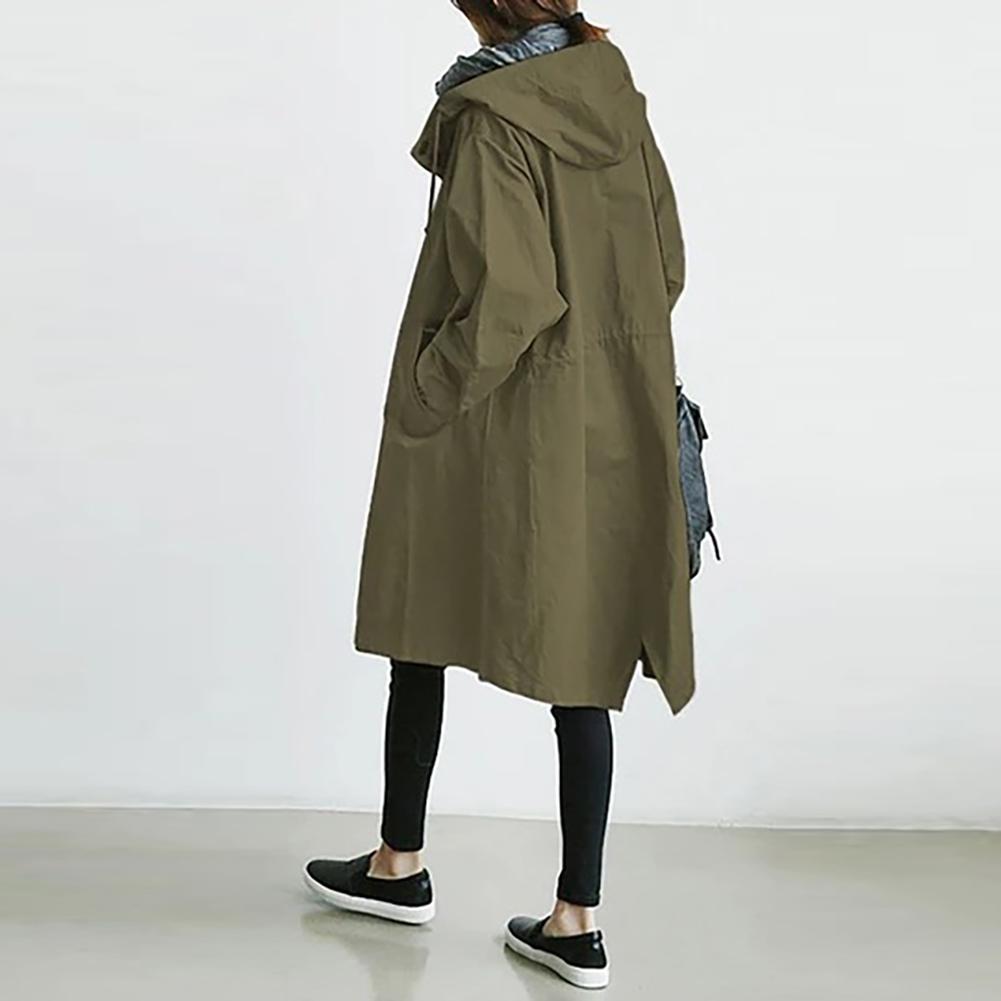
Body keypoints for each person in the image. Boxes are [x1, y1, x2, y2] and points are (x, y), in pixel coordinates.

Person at [304, 1, 693, 990]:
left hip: (490, 410)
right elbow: (667, 265)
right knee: (584, 647)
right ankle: (575, 917)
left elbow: (511, 299)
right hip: (605, 411)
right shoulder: (613, 93)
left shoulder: (493, 115)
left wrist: (428, 387)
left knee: (420, 604)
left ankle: (399, 862)